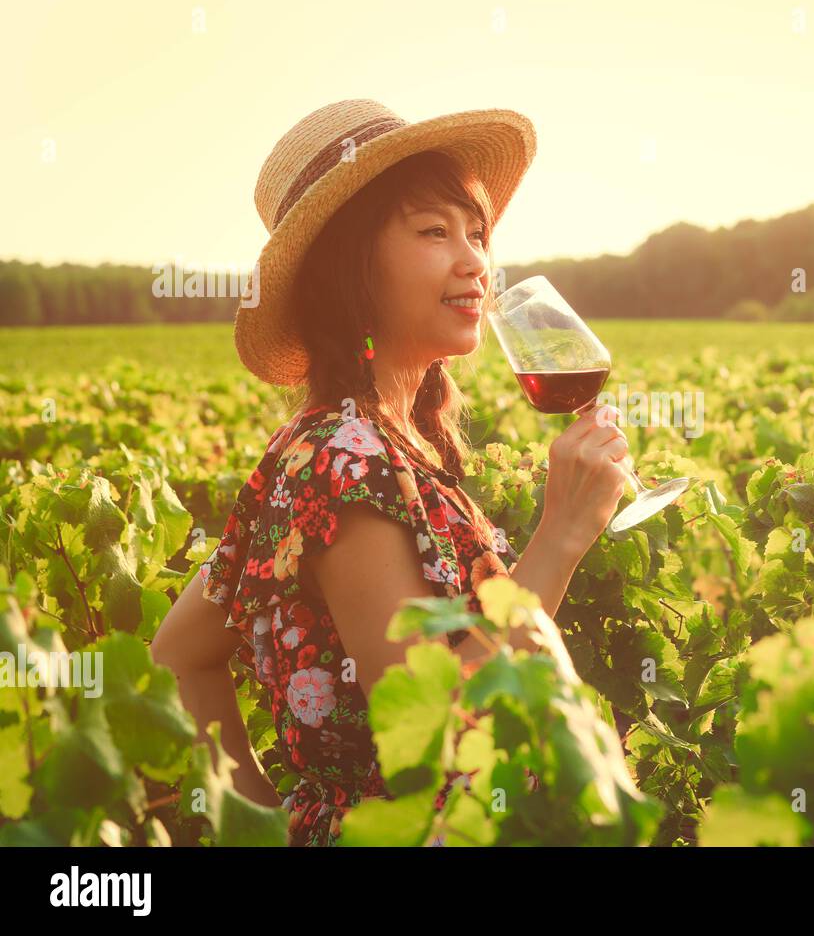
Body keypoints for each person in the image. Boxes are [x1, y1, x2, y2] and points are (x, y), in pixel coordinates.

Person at [150, 100, 631, 846]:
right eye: (435, 232)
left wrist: (269, 826)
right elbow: (429, 726)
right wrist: (559, 538)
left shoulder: (357, 445)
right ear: (352, 269)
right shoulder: (343, 462)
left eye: (477, 232)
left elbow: (179, 655)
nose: (475, 258)